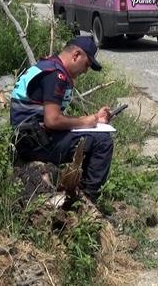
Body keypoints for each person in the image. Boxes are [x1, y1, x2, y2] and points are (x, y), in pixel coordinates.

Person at [10, 36, 113, 202]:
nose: (85, 71)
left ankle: (80, 191)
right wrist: (87, 121)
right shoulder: (56, 76)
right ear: (76, 55)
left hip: (28, 137)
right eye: (86, 64)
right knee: (102, 141)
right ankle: (89, 198)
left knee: (95, 136)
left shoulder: (48, 65)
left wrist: (95, 120)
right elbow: (53, 121)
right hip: (34, 143)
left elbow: (51, 118)